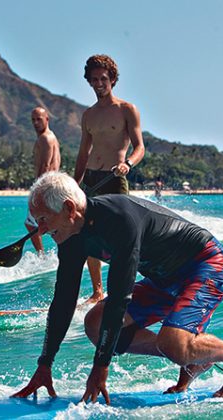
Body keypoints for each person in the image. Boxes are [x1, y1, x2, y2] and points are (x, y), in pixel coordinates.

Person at [11, 172, 223, 404]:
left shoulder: (119, 219)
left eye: (43, 219)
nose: (40, 230)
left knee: (173, 342)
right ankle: (194, 356)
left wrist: (100, 367)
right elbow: (63, 300)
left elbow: (120, 297)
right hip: (163, 279)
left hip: (205, 264)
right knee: (95, 324)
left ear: (68, 208)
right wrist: (45, 364)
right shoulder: (71, 237)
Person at [74, 54, 145, 304]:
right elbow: (83, 153)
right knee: (89, 236)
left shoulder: (127, 110)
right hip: (92, 180)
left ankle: (125, 290)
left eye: (103, 78)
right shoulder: (88, 116)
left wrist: (128, 164)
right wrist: (74, 185)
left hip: (115, 179)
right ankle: (97, 291)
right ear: (89, 82)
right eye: (94, 79)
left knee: (121, 237)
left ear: (112, 80)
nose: (99, 83)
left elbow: (140, 148)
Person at [24, 107, 62, 254]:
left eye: (39, 119)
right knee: (49, 222)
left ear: (47, 119)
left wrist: (37, 191)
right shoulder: (50, 137)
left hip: (46, 186)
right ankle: (64, 250)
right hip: (51, 185)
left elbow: (46, 165)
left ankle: (42, 256)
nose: (35, 123)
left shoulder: (45, 138)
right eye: (33, 120)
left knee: (30, 223)